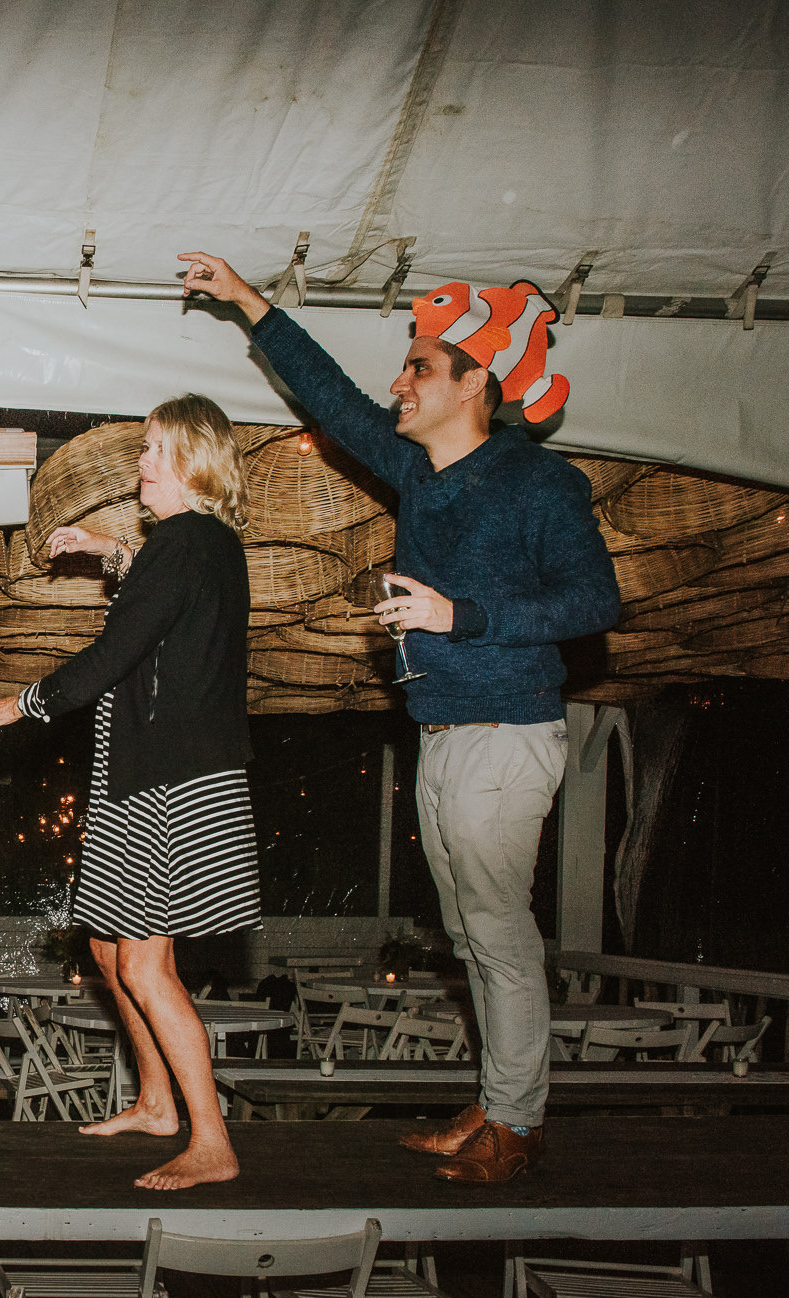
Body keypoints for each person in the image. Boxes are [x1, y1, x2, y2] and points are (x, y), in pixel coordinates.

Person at [179, 251, 620, 1183]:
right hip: (442, 731)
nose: (400, 381)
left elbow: (594, 604)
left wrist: (460, 616)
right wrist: (253, 303)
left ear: (479, 384)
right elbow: (334, 404)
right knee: (468, 935)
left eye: (421, 365)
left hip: (507, 730)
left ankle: (520, 1125)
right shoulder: (421, 475)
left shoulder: (544, 486)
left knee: (498, 932)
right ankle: (499, 1101)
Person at [0, 395, 261, 1191]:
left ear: (193, 462)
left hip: (170, 783)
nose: (142, 464)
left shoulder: (188, 542)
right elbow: (159, 597)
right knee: (106, 949)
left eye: (156, 450)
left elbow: (115, 652)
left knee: (148, 965)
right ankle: (157, 1101)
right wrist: (103, 548)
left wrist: (12, 706)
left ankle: (212, 1142)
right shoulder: (199, 547)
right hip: (143, 780)